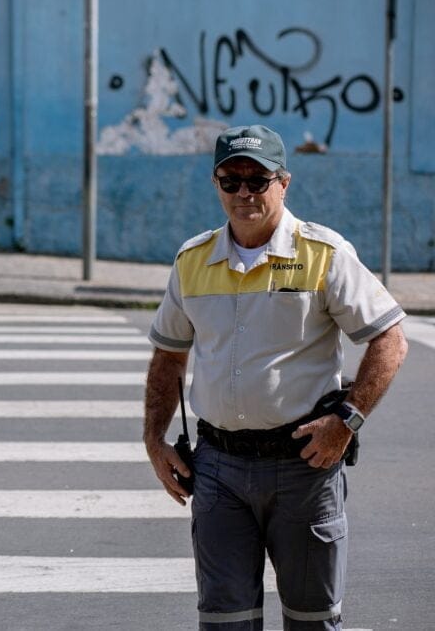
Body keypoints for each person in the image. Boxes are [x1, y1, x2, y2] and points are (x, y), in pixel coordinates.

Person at [143, 124, 408, 630]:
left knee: (311, 621)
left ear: (283, 183)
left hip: (303, 466)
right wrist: (155, 441)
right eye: (230, 179)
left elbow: (390, 337)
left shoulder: (322, 254)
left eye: (257, 180)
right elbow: (168, 358)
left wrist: (346, 421)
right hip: (218, 468)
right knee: (225, 623)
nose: (244, 192)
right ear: (216, 183)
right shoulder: (192, 261)